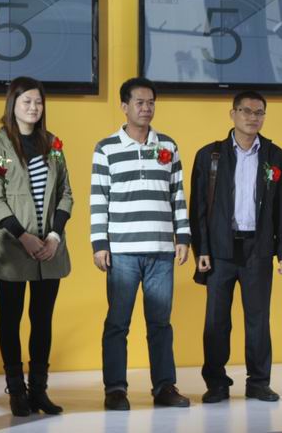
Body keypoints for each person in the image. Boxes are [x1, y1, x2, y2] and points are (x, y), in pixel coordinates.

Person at [90, 77, 191, 410]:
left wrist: (183, 237)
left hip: (161, 250)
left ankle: (164, 387)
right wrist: (99, 243)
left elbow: (177, 194)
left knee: (160, 324)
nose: (146, 108)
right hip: (122, 252)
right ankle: (115, 390)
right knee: (117, 323)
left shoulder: (168, 145)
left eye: (150, 103)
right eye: (139, 102)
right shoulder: (106, 148)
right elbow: (99, 198)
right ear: (124, 106)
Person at [189, 90, 282, 404]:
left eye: (259, 112)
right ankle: (216, 383)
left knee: (258, 319)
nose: (252, 117)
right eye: (246, 111)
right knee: (216, 320)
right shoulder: (210, 155)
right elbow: (198, 208)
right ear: (232, 114)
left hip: (257, 249)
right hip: (220, 250)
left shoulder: (274, 155)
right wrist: (201, 249)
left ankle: (259, 382)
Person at [0, 76, 73, 417]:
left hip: (49, 250)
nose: (34, 107)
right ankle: (16, 390)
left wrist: (54, 236)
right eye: (27, 101)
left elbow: (66, 194)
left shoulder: (53, 143)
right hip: (11, 248)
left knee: (42, 319)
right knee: (10, 320)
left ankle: (39, 390)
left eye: (38, 102)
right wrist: (24, 236)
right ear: (13, 105)